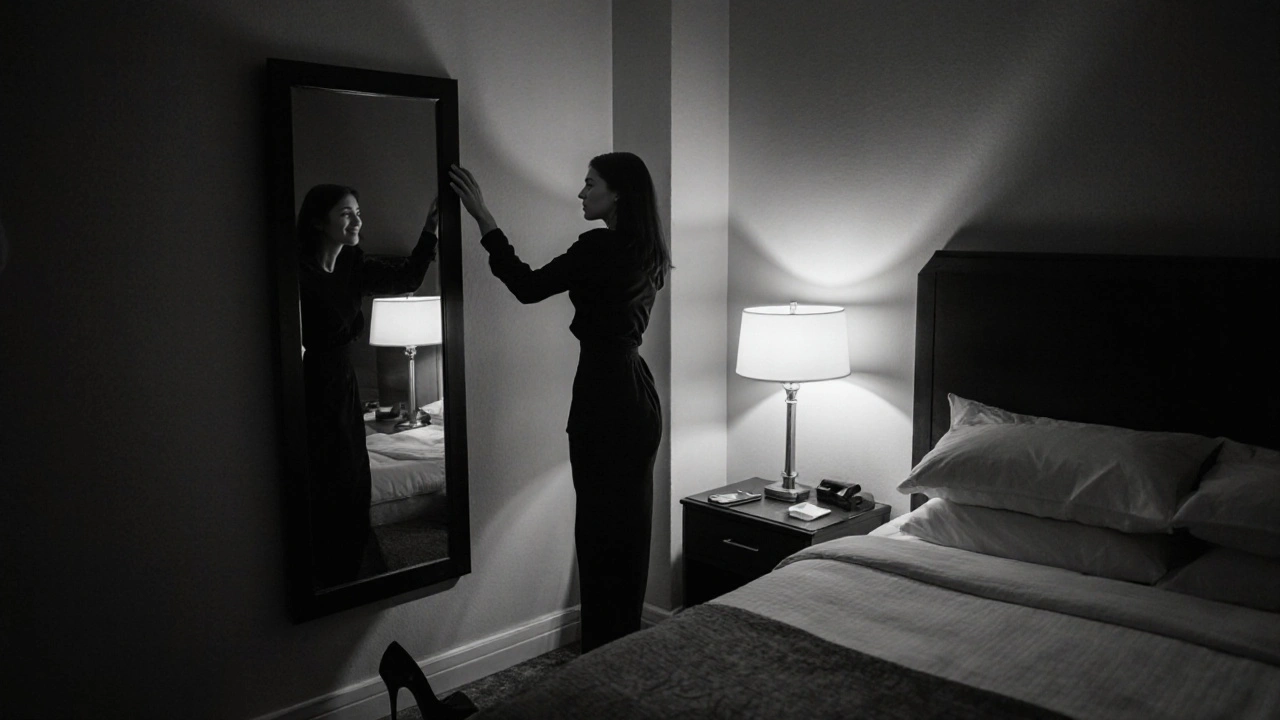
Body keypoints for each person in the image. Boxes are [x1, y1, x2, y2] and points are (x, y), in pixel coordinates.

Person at [449, 153, 670, 652]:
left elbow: (526, 286)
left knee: (597, 537)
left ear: (617, 193)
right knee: (628, 537)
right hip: (637, 396)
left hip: (604, 397)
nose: (581, 192)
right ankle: (620, 651)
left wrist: (485, 218)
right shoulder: (649, 251)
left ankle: (601, 657)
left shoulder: (599, 247)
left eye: (590, 183)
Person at [296, 183, 438, 587]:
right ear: (319, 222)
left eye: (358, 212)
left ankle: (351, 570)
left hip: (344, 384)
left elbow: (408, 277)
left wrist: (430, 229)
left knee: (354, 481)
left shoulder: (353, 265)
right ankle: (322, 572)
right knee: (324, 481)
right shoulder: (297, 272)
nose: (357, 221)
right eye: (346, 214)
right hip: (311, 384)